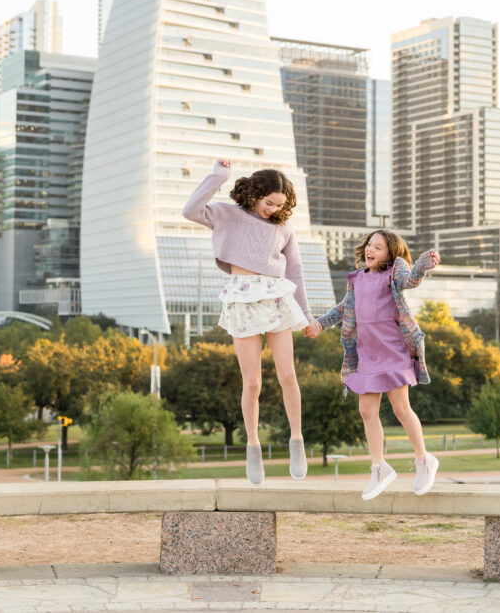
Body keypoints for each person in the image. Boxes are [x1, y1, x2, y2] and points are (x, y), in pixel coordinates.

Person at [182, 158, 311, 485]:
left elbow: (295, 271)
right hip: (241, 297)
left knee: (287, 375)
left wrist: (307, 315)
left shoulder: (283, 228)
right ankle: (253, 447)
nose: (274, 209)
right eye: (270, 202)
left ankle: (297, 440)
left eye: (281, 204)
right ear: (255, 194)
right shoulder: (227, 214)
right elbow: (190, 210)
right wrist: (218, 176)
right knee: (252, 382)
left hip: (276, 297)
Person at [304, 229, 439, 500]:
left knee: (401, 408)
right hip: (366, 355)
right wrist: (320, 323)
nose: (371, 249)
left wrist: (423, 263)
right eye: (369, 244)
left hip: (393, 352)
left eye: (378, 247)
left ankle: (424, 460)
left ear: (390, 253)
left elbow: (411, 280)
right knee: (367, 412)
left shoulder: (395, 272)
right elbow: (344, 309)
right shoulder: (357, 279)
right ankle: (379, 468)